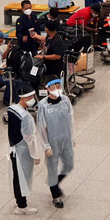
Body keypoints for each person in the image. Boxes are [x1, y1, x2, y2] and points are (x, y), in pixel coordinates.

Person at [37, 75, 75, 209]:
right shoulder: (43, 106)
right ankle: (56, 196)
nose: (58, 89)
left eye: (59, 86)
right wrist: (46, 147)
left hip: (65, 138)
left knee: (69, 165)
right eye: (54, 86)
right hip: (52, 142)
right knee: (52, 169)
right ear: (48, 89)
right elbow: (41, 128)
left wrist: (72, 137)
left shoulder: (65, 101)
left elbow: (71, 119)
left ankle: (55, 183)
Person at [7, 84, 42, 215]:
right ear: (22, 98)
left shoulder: (11, 109)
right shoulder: (26, 117)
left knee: (17, 176)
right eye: (30, 97)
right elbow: (29, 138)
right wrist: (35, 155)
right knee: (23, 177)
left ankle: (19, 201)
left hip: (14, 149)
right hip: (23, 151)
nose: (33, 99)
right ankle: (22, 206)